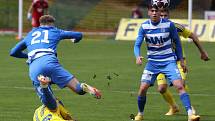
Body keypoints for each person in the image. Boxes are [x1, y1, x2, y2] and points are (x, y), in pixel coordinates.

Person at [10, 15, 101, 120]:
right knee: (78, 89)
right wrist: (75, 40)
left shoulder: (30, 34)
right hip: (51, 63)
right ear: (52, 24)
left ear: (40, 23)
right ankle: (84, 87)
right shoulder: (55, 31)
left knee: (52, 107)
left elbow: (13, 52)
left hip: (35, 65)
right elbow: (79, 35)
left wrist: (29, 55)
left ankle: (44, 86)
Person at [133, 3, 200, 121]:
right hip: (152, 63)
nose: (154, 13)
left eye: (156, 11)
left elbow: (177, 43)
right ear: (148, 12)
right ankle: (140, 114)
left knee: (179, 85)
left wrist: (181, 60)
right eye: (152, 11)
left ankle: (191, 115)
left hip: (169, 62)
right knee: (143, 88)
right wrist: (137, 56)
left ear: (160, 12)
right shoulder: (144, 26)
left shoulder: (169, 25)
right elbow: (137, 44)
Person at [157, 8, 210, 116]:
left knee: (180, 83)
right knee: (161, 88)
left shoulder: (176, 27)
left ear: (168, 16)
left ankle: (190, 108)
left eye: (165, 15)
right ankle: (173, 107)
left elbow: (193, 36)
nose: (163, 18)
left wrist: (202, 52)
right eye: (161, 15)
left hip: (178, 61)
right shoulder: (152, 28)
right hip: (161, 62)